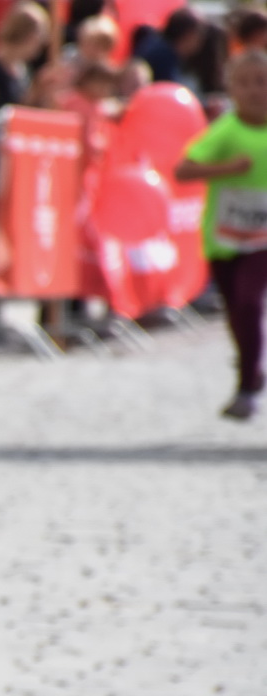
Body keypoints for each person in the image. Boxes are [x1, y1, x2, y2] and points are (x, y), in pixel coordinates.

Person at [174, 50, 267, 421]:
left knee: (249, 301)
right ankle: (253, 368)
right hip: (225, 237)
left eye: (262, 82)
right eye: (244, 83)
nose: (255, 91)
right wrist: (228, 168)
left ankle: (245, 388)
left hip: (263, 238)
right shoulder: (227, 130)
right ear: (231, 88)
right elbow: (182, 170)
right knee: (236, 311)